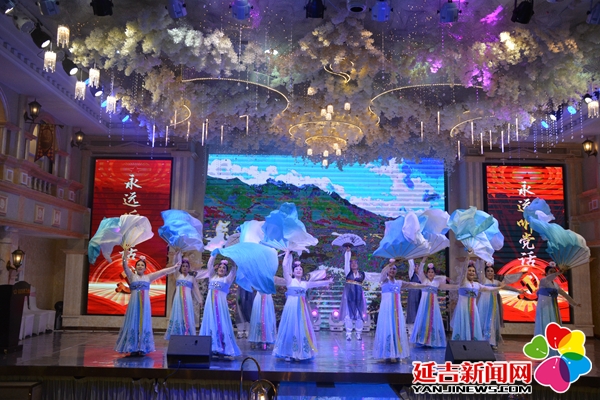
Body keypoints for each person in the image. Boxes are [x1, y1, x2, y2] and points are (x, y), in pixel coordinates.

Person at [115, 248, 179, 356]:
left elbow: (162, 272)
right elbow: (125, 266)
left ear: (145, 268)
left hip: (145, 305)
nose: (140, 266)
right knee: (133, 321)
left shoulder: (148, 277)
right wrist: (124, 256)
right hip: (134, 304)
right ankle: (132, 347)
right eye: (138, 265)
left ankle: (142, 347)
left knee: (144, 322)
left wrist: (174, 267)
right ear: (135, 267)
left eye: (142, 265)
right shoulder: (132, 276)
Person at [273, 252, 332, 361]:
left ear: (303, 272)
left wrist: (328, 281)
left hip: (302, 309)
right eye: (296, 269)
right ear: (293, 272)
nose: (299, 270)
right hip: (291, 307)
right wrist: (287, 254)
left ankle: (300, 352)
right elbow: (285, 266)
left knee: (301, 328)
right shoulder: (290, 281)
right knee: (290, 327)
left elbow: (317, 283)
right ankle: (288, 352)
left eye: (300, 269)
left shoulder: (305, 283)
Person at [373, 259, 424, 363]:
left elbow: (412, 285)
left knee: (397, 329)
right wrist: (392, 263)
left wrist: (425, 286)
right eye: (390, 269)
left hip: (396, 311)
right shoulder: (384, 280)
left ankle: (396, 352)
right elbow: (383, 272)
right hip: (386, 311)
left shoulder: (399, 283)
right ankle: (387, 353)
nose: (392, 270)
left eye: (394, 269)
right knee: (387, 329)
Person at [199, 254, 241, 359]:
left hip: (220, 307)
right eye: (220, 267)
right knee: (211, 323)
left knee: (221, 323)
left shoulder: (227, 280)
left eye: (224, 268)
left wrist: (232, 260)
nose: (221, 269)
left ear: (226, 271)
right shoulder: (212, 277)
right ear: (217, 269)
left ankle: (222, 347)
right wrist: (213, 255)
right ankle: (211, 347)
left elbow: (233, 270)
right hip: (211, 307)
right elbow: (210, 265)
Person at [451, 260, 503, 341]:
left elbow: (488, 288)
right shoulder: (463, 282)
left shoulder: (477, 285)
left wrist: (500, 287)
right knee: (464, 324)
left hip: (473, 310)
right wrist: (467, 257)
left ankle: (473, 342)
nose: (471, 272)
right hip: (463, 309)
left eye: (473, 271)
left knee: (473, 326)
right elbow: (463, 271)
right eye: (469, 270)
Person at [477, 261, 523, 350]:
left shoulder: (496, 282)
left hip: (494, 304)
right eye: (488, 271)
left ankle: (492, 341)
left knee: (493, 321)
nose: (490, 272)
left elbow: (507, 287)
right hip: (484, 303)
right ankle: (483, 341)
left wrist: (518, 291)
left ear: (494, 273)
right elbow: (480, 270)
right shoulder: (483, 280)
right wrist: (483, 259)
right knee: (484, 320)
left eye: (491, 271)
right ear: (485, 272)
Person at [410, 261, 456, 348]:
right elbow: (420, 270)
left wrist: (458, 286)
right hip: (424, 306)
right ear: (426, 273)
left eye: (432, 272)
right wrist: (424, 259)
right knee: (423, 319)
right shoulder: (424, 280)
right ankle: (422, 340)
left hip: (433, 306)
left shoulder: (436, 283)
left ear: (434, 274)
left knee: (433, 320)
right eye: (429, 272)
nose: (430, 274)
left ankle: (432, 340)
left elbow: (448, 287)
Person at [534, 261, 581, 337]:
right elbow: (549, 278)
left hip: (553, 304)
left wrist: (574, 303)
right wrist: (557, 273)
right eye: (551, 271)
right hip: (544, 305)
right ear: (546, 273)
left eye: (554, 272)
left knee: (553, 320)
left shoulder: (556, 285)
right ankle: (543, 337)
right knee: (545, 320)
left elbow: (564, 294)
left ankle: (553, 337)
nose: (553, 273)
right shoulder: (543, 280)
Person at [164, 256, 204, 340]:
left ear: (189, 268)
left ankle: (187, 332)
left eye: (186, 266)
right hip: (178, 299)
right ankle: (177, 333)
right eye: (183, 266)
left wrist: (200, 300)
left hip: (188, 300)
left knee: (187, 315)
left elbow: (196, 289)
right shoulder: (177, 275)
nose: (185, 268)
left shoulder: (191, 278)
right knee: (178, 313)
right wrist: (178, 254)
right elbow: (176, 264)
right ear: (181, 267)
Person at [340, 245, 367, 341]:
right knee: (348, 314)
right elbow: (346, 263)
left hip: (359, 296)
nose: (354, 264)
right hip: (349, 295)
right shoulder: (348, 272)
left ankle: (358, 333)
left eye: (356, 262)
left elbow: (373, 276)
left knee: (359, 314)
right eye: (352, 262)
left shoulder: (362, 274)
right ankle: (348, 333)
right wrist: (348, 252)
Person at [406, 258, 424, 328]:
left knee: (419, 309)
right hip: (413, 294)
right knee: (412, 309)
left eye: (418, 267)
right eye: (416, 267)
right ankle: (411, 326)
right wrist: (411, 257)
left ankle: (419, 326)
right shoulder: (412, 275)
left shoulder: (421, 277)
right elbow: (411, 265)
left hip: (420, 294)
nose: (418, 268)